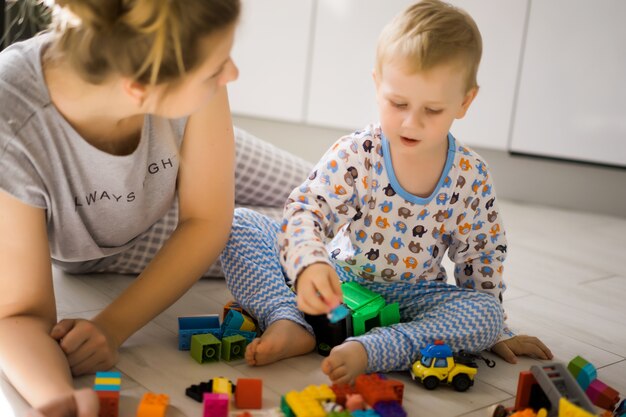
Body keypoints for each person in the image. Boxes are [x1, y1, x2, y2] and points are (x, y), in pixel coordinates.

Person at [0, 0, 312, 415]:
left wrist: (112, 328)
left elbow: (206, 218)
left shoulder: (184, 77)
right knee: (322, 242)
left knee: (333, 199)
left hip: (191, 151)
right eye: (216, 67)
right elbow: (19, 315)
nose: (232, 73)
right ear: (140, 89)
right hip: (110, 239)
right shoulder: (12, 123)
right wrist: (60, 399)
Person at [219, 0, 553, 385]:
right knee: (238, 224)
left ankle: (375, 348)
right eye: (398, 103)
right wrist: (310, 263)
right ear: (378, 84)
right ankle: (289, 319)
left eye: (432, 110)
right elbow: (308, 209)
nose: (412, 122)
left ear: (464, 102)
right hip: (339, 277)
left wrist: (496, 330)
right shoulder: (358, 153)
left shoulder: (470, 176)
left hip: (412, 298)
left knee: (487, 316)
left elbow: (481, 255)